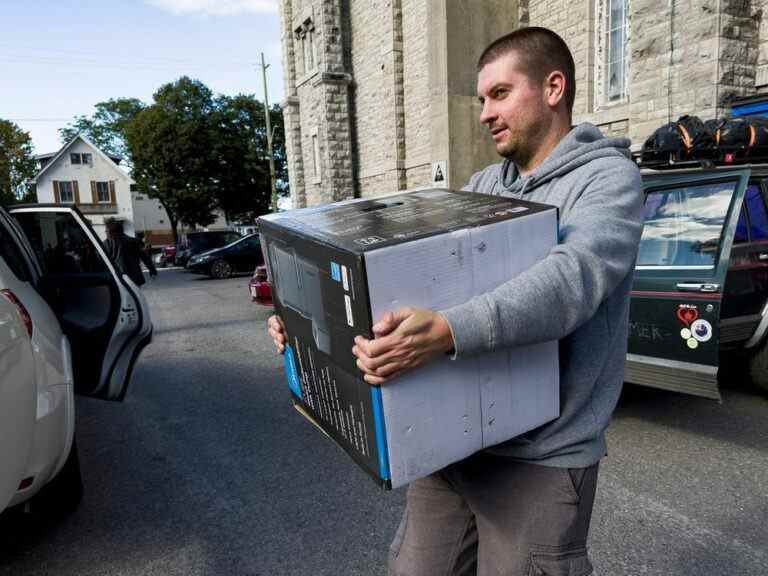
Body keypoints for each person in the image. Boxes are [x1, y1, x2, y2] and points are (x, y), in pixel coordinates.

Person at [268, 26, 644, 575]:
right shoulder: (484, 185)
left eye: (500, 93)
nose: (486, 112)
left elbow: (573, 280)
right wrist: (304, 328)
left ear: (553, 88)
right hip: (454, 444)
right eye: (482, 98)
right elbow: (407, 275)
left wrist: (446, 331)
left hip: (541, 459)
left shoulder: (607, 180)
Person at [104, 219, 157, 287]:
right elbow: (144, 257)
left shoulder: (106, 244)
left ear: (110, 231)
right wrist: (152, 270)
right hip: (135, 277)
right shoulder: (134, 241)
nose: (105, 232)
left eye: (106, 231)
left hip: (118, 278)